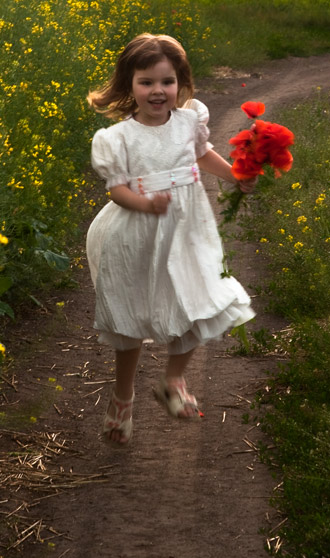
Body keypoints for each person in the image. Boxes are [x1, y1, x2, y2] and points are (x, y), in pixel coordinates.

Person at [85, 34, 257, 444]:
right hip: (135, 233)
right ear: (129, 85)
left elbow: (201, 155)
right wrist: (145, 205)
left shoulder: (188, 121)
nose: (157, 91)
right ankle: (121, 399)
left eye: (166, 82)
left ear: (180, 83)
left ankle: (173, 380)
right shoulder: (118, 138)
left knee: (196, 298)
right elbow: (117, 189)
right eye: (146, 82)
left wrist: (235, 176)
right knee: (131, 317)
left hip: (186, 230)